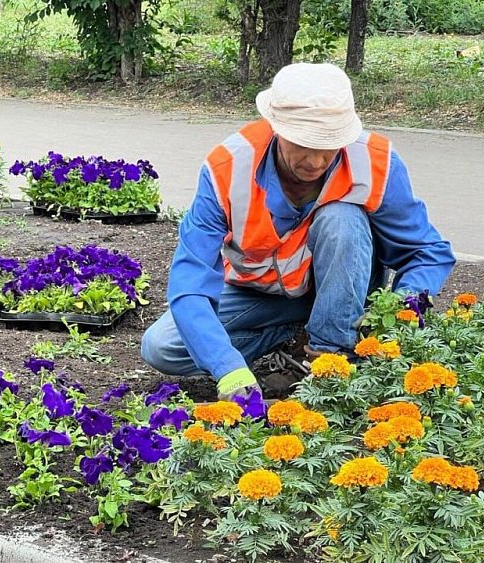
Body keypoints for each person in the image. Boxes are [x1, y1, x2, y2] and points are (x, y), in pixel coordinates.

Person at [140, 63, 456, 401]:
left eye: (330, 145)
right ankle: (292, 336)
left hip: (347, 292)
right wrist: (228, 368)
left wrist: (397, 315)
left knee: (342, 218)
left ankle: (329, 355)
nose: (317, 160)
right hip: (260, 295)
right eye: (304, 144)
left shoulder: (374, 162)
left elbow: (426, 253)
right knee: (162, 347)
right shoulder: (228, 167)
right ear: (275, 128)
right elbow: (190, 284)